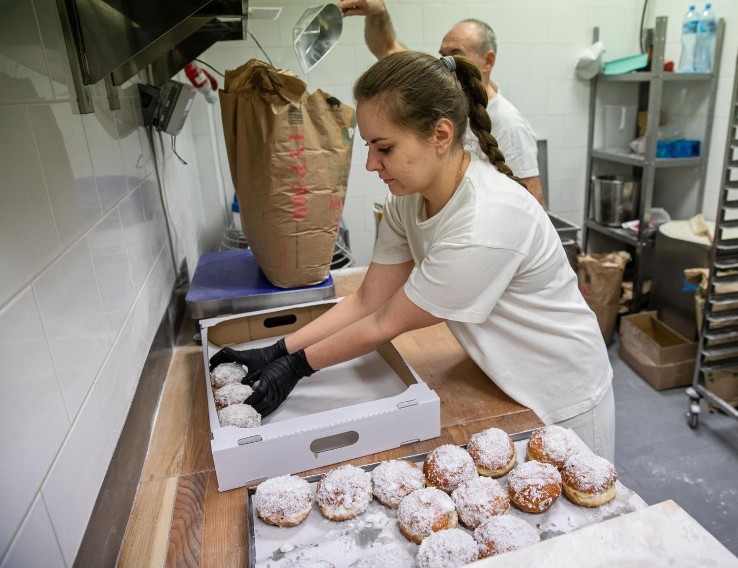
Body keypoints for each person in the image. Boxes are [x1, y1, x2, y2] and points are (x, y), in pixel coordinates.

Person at [209, 51, 615, 461]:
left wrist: (298, 366)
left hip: (564, 394)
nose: (371, 164)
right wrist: (278, 350)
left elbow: (385, 322)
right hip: (502, 376)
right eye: (368, 146)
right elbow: (369, 300)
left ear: (440, 135)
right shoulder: (410, 200)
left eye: (383, 147)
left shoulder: (484, 221)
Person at [336, 0, 545, 207]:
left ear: (488, 61)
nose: (447, 63)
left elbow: (531, 201)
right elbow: (388, 48)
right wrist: (378, 13)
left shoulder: (510, 124)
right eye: (442, 55)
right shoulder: (440, 101)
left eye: (455, 53)